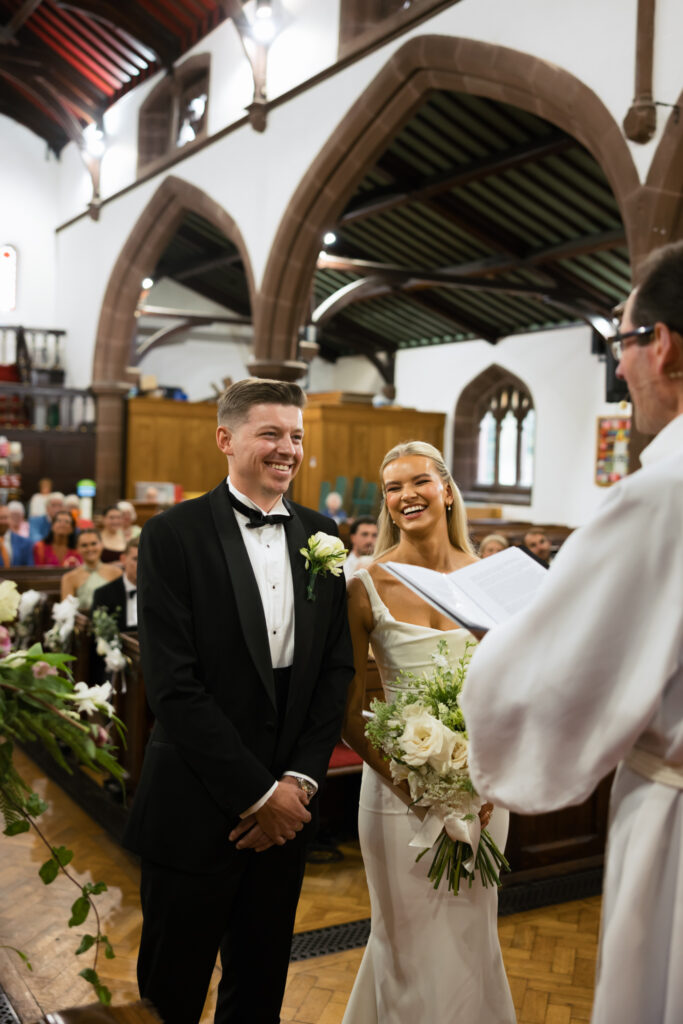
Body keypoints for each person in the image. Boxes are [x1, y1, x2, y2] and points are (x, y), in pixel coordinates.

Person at [460, 240, 683, 1024]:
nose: (618, 370)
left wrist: (497, 648)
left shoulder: (663, 492)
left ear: (661, 344)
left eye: (621, 343)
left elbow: (547, 681)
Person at [123, 378, 354, 1024]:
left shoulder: (321, 534)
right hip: (197, 806)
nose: (288, 448)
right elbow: (173, 684)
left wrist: (299, 783)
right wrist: (260, 797)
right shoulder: (172, 535)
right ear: (226, 439)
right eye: (271, 433)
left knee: (257, 995)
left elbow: (333, 671)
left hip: (286, 811)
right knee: (169, 994)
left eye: (297, 436)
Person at [341, 440, 515, 1024]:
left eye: (417, 481)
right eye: (392, 488)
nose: (405, 495)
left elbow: (513, 692)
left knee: (472, 938)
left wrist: (486, 783)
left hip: (484, 793)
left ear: (445, 488)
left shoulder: (493, 577)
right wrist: (413, 786)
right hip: (396, 796)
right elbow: (348, 712)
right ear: (386, 505)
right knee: (405, 941)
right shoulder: (365, 584)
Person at [60, 530, 121, 611]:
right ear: (77, 549)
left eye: (94, 544)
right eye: (84, 545)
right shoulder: (69, 578)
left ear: (102, 545)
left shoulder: (116, 573)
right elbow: (66, 611)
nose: (90, 548)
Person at [92, 537, 138, 631]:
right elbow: (98, 634)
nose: (141, 565)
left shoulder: (160, 592)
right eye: (136, 559)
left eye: (146, 559)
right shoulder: (104, 594)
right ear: (123, 559)